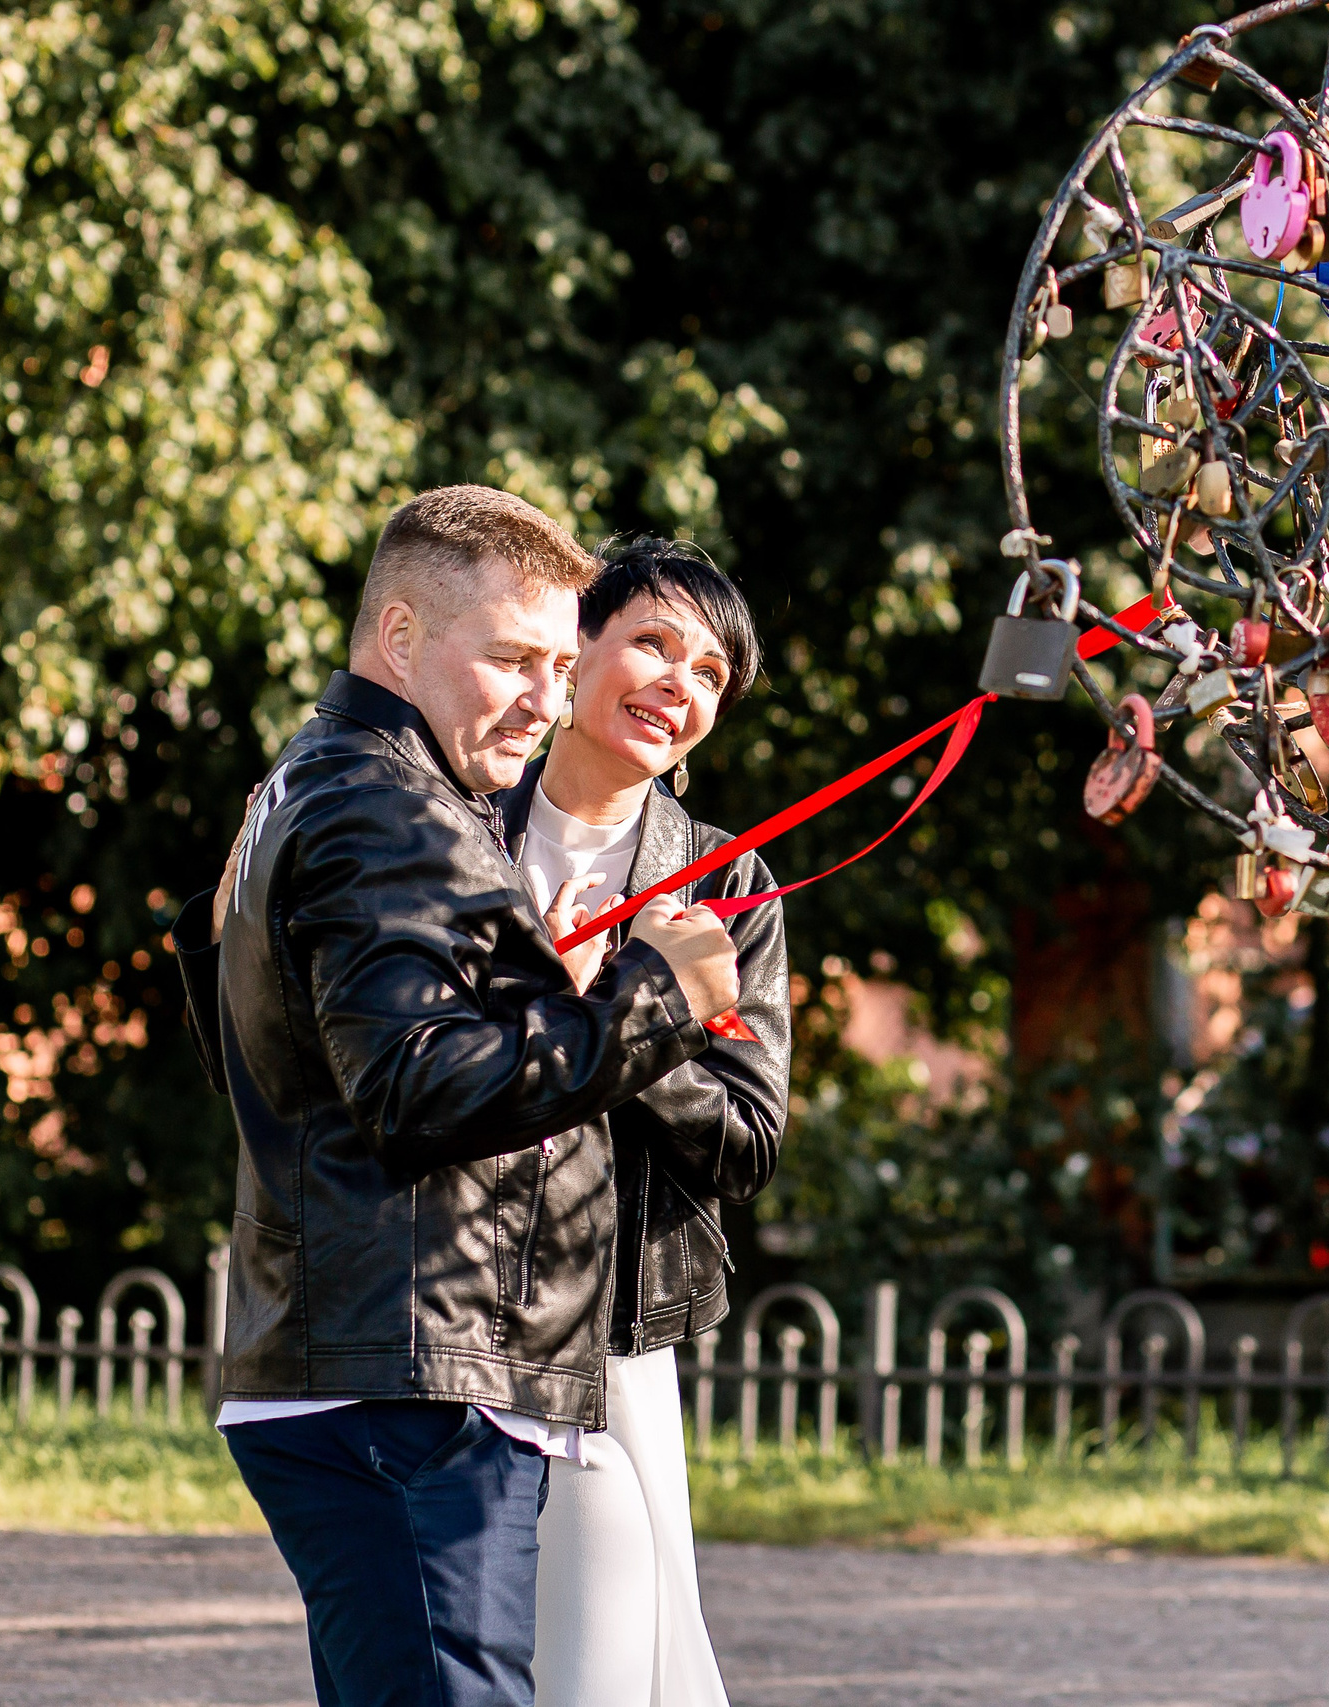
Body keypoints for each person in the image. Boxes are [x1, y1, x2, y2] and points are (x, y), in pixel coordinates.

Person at [171, 485, 742, 1707]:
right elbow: (423, 1091)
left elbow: (282, 1061)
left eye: (552, 660)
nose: (541, 697)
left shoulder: (320, 780)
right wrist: (655, 998)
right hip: (413, 1390)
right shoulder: (399, 810)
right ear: (398, 640)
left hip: (377, 1366)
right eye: (512, 659)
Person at [503, 536, 789, 1707]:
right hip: (449, 1303)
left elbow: (747, 1138)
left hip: (619, 1327)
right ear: (576, 650)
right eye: (654, 644)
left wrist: (628, 1019)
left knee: (633, 1650)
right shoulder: (457, 827)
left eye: (713, 673)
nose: (681, 683)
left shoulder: (728, 881)